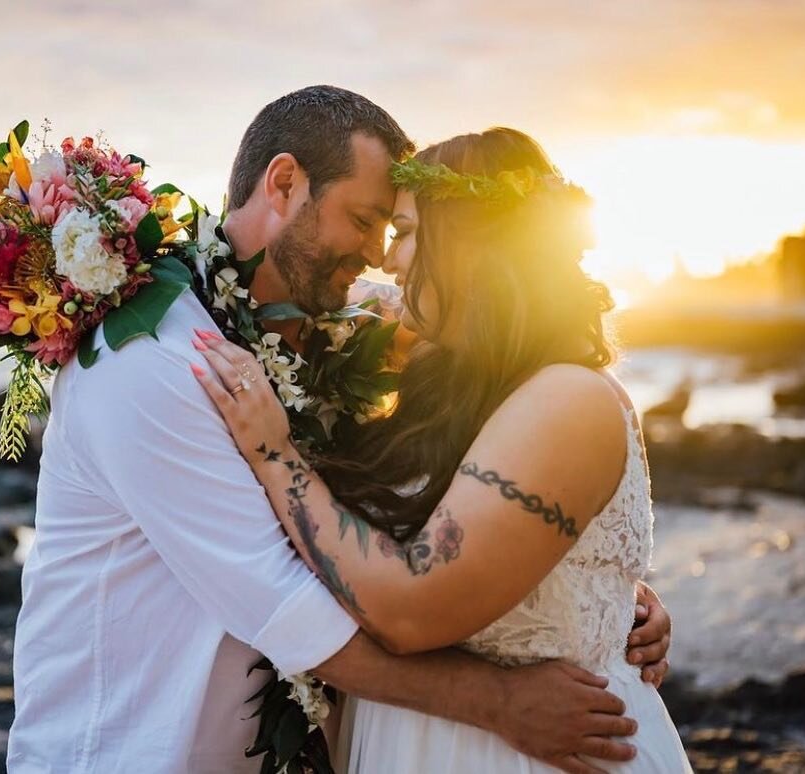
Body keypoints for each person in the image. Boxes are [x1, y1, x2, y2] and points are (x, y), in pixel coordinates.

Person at [8, 87, 673, 774]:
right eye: (365, 219)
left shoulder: (353, 333)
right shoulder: (154, 362)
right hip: (137, 749)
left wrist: (583, 585)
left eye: (398, 229)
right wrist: (497, 700)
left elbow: (478, 491)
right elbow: (288, 605)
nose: (382, 254)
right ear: (286, 184)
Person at [191, 126, 690, 772]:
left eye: (402, 232)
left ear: (465, 245)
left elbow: (406, 610)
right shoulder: (446, 372)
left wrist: (274, 457)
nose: (385, 259)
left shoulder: (568, 398)